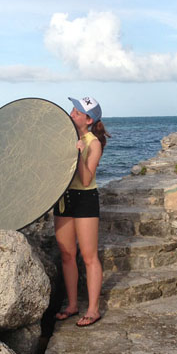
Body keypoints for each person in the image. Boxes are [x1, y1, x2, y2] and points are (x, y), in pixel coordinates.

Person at [53, 96, 110, 327]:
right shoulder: (64, 136)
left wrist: (78, 154)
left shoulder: (93, 143)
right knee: (67, 255)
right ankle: (72, 305)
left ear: (88, 119)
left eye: (77, 112)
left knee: (88, 256)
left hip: (85, 198)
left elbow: (86, 180)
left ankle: (93, 309)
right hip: (64, 198)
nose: (72, 113)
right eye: (73, 109)